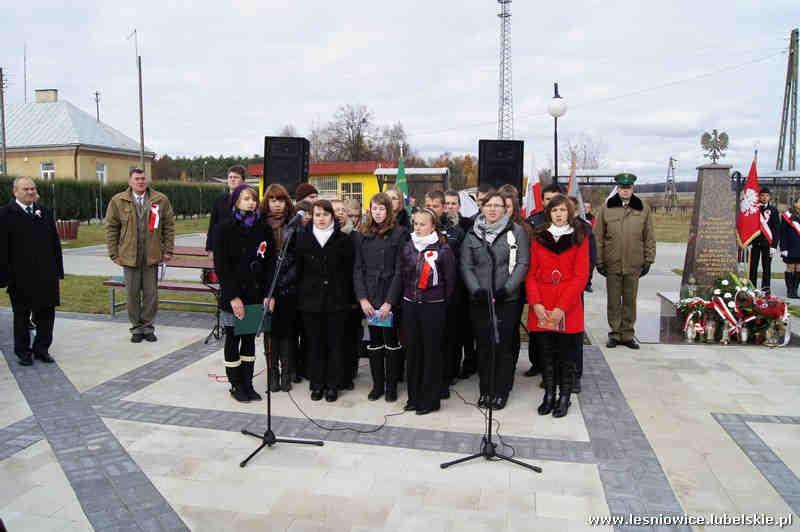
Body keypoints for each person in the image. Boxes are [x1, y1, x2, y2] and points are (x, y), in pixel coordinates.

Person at [461, 192, 530, 410]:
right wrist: (476, 290)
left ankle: (501, 390)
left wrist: (507, 289)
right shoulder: (473, 232)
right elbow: (466, 265)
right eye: (488, 205)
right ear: (482, 208)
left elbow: (522, 263)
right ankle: (486, 390)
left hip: (506, 300)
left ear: (505, 209)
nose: (492, 209)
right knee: (483, 346)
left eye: (497, 205)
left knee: (503, 347)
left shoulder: (516, 232)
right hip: (480, 300)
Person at [526, 194, 589, 418]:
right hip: (542, 302)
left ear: (570, 213)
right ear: (548, 213)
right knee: (546, 354)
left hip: (567, 304)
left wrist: (562, 307)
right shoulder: (539, 237)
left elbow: (581, 277)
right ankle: (549, 394)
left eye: (563, 210)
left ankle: (564, 396)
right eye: (555, 210)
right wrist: (535, 303)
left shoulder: (580, 237)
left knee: (566, 354)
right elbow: (531, 274)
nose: (559, 214)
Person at [213, 185, 276, 403]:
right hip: (233, 294)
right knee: (233, 337)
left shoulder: (263, 228)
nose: (251, 202)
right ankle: (236, 384)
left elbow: (269, 264)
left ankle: (248, 383)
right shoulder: (224, 228)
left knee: (249, 338)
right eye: (246, 198)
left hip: (255, 293)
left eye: (253, 199)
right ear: (236, 202)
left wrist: (269, 293)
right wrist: (233, 297)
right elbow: (221, 266)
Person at [105, 168, 175, 343]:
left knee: (151, 295)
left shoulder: (160, 200)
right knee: (132, 295)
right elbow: (111, 228)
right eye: (137, 179)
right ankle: (136, 329)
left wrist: (168, 250)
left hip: (152, 255)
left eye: (143, 179)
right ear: (130, 182)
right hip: (129, 257)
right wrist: (113, 253)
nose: (141, 182)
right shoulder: (118, 200)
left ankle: (148, 327)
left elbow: (169, 226)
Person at [397, 208, 456, 415]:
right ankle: (414, 396)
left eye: (423, 224)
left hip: (433, 306)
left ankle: (430, 399)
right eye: (416, 224)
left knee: (431, 352)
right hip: (411, 305)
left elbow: (450, 281)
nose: (418, 228)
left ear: (433, 226)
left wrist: (439, 302)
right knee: (413, 351)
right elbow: (402, 275)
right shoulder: (407, 247)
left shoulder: (443, 249)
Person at [295, 200, 355, 402]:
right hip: (310, 301)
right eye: (317, 214)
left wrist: (348, 299)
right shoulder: (302, 238)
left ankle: (332, 385)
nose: (321, 219)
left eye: (325, 215)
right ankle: (317, 384)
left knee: (335, 344)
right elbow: (298, 270)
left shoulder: (343, 240)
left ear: (333, 217)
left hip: (336, 302)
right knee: (315, 344)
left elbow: (349, 272)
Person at [0, 177, 63, 366]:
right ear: (15, 192)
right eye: (26, 189)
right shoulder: (5, 214)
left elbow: (54, 244)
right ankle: (23, 352)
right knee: (21, 316)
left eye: (33, 189)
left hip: (46, 274)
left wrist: (58, 270)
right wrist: (5, 277)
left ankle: (41, 349)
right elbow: (2, 248)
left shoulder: (44, 211)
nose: (30, 192)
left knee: (47, 315)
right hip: (19, 277)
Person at [353, 193, 406, 402]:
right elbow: (358, 269)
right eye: (374, 209)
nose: (378, 213)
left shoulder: (399, 234)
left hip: (389, 298)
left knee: (391, 342)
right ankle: (378, 385)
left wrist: (389, 302)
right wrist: (363, 298)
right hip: (370, 298)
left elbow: (400, 270)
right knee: (374, 341)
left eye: (382, 209)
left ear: (389, 211)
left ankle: (392, 386)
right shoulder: (362, 234)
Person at [594, 173, 655, 349]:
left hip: (634, 262)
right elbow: (598, 237)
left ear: (632, 188)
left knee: (630, 300)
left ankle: (627, 334)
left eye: (628, 187)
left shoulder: (643, 208)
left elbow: (649, 236)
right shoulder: (607, 208)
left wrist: (649, 259)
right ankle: (614, 333)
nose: (625, 190)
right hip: (612, 262)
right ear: (618, 188)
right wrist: (599, 261)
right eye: (622, 187)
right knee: (614, 301)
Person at [424, 190, 465, 397]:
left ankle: (447, 376)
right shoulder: (419, 229)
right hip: (426, 294)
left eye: (437, 205)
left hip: (450, 292)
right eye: (428, 203)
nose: (432, 208)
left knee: (449, 336)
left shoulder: (455, 231)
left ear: (443, 207)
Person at [523, 183, 563, 378]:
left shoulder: (574, 224)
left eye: (555, 199)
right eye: (547, 199)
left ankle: (562, 371)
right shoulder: (534, 222)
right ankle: (537, 364)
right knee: (538, 329)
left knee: (561, 332)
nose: (551, 203)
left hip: (563, 288)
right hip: (538, 285)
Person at [260, 183, 297, 391]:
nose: (277, 204)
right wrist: (268, 290)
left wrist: (284, 281)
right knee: (270, 332)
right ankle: (272, 373)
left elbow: (298, 259)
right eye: (273, 200)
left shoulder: (294, 225)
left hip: (288, 287)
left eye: (281, 200)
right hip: (267, 289)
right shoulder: (260, 224)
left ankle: (286, 374)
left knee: (287, 333)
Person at [445, 190, 477, 378]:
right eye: (447, 203)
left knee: (466, 329)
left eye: (453, 203)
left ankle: (470, 362)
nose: (450, 207)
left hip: (464, 286)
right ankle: (452, 367)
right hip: (446, 287)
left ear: (459, 205)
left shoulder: (467, 226)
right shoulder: (438, 224)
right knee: (453, 331)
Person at [205, 165, 245, 258]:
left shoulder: (249, 200)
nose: (232, 179)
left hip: (242, 249)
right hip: (222, 249)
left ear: (243, 181)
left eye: (236, 177)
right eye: (230, 177)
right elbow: (212, 225)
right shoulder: (219, 200)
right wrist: (210, 248)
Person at [749, 187, 780, 292]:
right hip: (755, 242)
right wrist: (748, 242)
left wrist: (774, 246)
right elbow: (749, 226)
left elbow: (776, 229)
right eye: (762, 195)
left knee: (766, 268)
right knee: (753, 267)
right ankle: (752, 288)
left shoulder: (774, 210)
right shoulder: (754, 209)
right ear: (759, 197)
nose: (764, 197)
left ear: (769, 197)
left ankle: (766, 290)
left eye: (767, 195)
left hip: (768, 243)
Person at [780, 197, 800, 299]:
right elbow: (783, 233)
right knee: (790, 268)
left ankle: (795, 291)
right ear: (795, 203)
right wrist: (783, 248)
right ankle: (789, 290)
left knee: (799, 268)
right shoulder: (787, 215)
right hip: (790, 247)